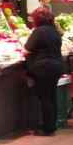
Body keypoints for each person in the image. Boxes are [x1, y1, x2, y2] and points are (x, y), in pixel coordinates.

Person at [24, 7, 63, 136]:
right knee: (52, 96)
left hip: (43, 67)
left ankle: (47, 128)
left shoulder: (39, 32)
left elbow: (27, 49)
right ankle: (52, 125)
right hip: (56, 66)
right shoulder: (55, 31)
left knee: (44, 97)